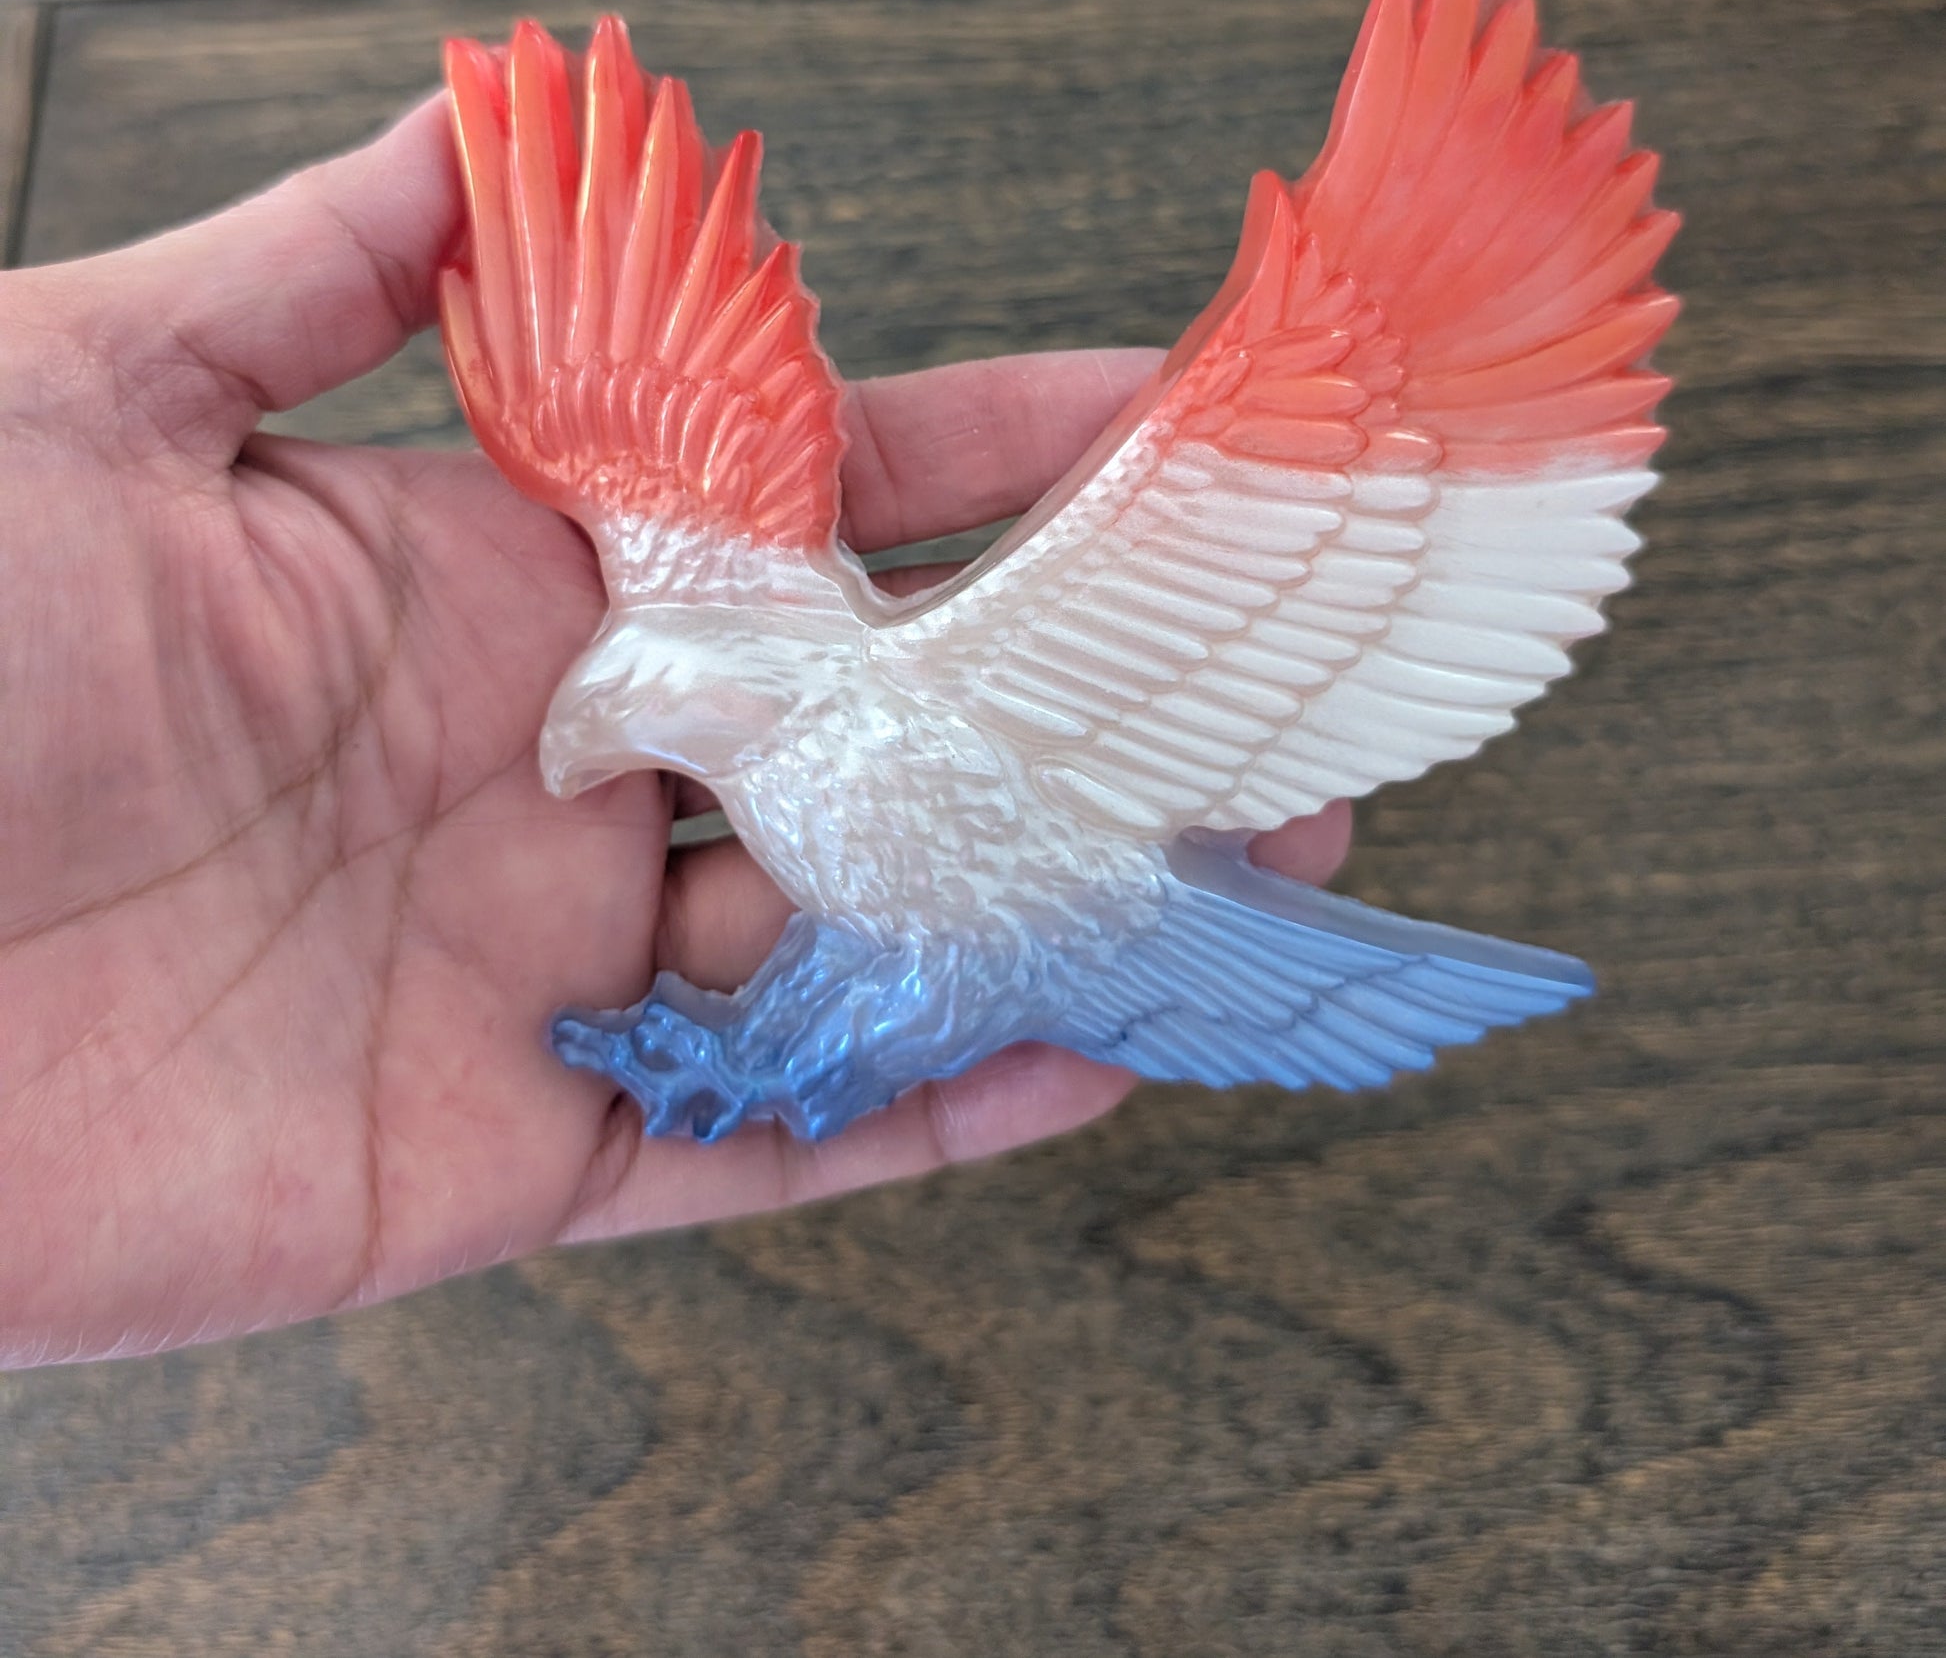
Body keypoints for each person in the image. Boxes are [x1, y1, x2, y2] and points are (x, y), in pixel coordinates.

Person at [0, 99, 1351, 1368]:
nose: (597, 753)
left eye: (631, 718)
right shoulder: (738, 697)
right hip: (926, 927)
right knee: (860, 964)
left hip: (1088, 911)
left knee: (930, 959)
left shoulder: (841, 695)